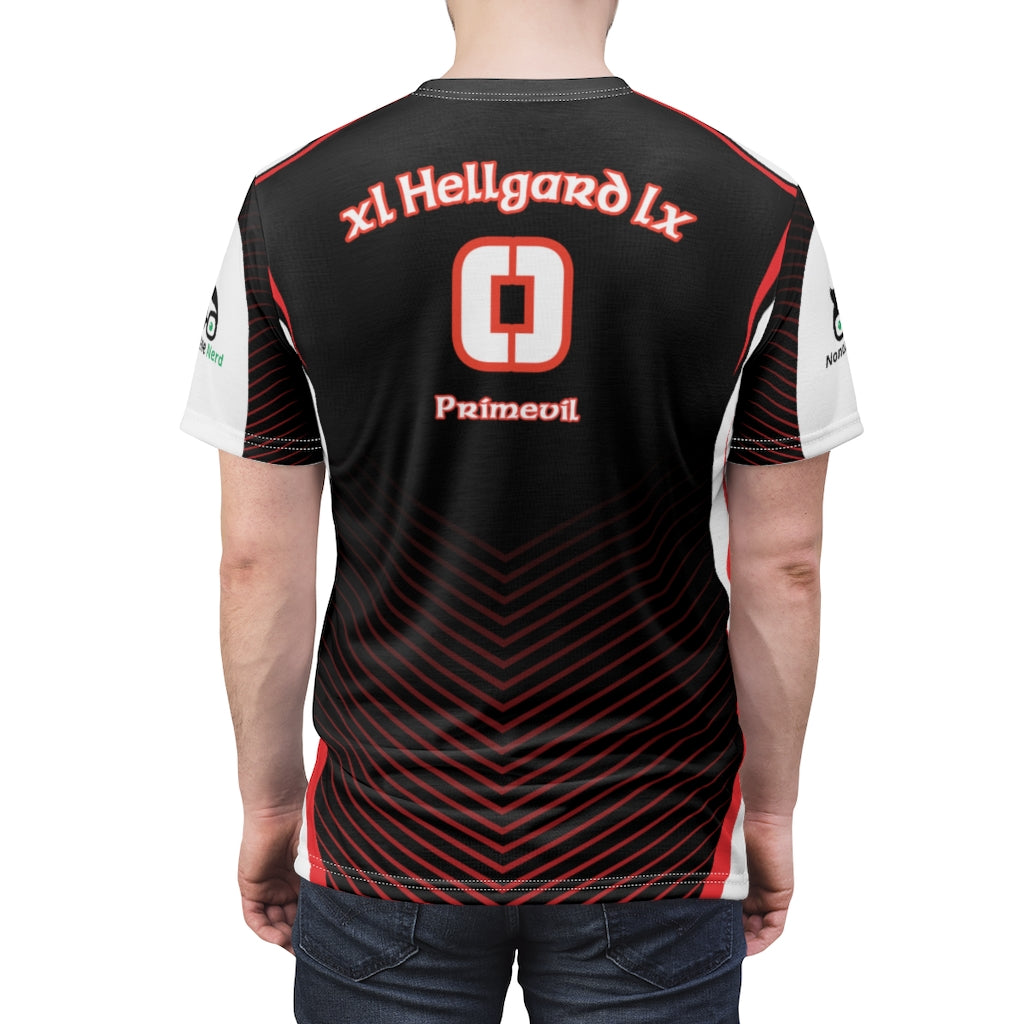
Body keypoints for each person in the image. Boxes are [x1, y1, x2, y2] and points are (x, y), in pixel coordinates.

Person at [181, 1, 863, 1020]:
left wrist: (272, 802)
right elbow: (784, 566)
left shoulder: (292, 204)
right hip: (652, 841)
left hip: (387, 833)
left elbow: (256, 561)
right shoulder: (756, 208)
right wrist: (765, 813)